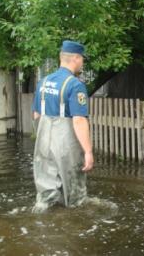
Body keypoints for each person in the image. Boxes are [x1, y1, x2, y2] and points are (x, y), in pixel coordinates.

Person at [31, 40, 94, 213]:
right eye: (82, 58)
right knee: (75, 194)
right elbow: (79, 120)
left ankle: (42, 222)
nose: (82, 62)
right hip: (66, 145)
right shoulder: (75, 85)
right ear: (75, 58)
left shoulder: (43, 82)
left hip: (43, 142)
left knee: (46, 193)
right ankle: (74, 224)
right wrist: (88, 151)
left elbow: (36, 115)